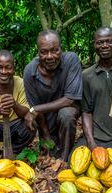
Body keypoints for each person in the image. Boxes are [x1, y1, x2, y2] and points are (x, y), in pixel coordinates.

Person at [23, 29, 82, 161]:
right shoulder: (29, 71)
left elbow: (70, 99)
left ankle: (65, 161)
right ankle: (54, 147)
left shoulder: (71, 60)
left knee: (66, 115)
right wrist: (46, 135)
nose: (50, 56)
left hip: (67, 110)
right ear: (38, 52)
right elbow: (36, 110)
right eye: (44, 52)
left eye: (55, 50)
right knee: (51, 150)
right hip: (47, 118)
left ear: (61, 49)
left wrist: (36, 109)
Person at [0, 50, 35, 156]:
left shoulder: (20, 82)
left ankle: (12, 151)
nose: (4, 71)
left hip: (14, 123)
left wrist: (15, 104)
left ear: (13, 68)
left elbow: (26, 112)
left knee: (31, 126)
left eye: (8, 67)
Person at [77, 26, 112, 150]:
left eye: (109, 41)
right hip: (97, 137)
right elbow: (86, 111)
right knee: (74, 162)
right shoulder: (87, 75)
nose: (104, 45)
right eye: (100, 42)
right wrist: (91, 142)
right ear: (95, 45)